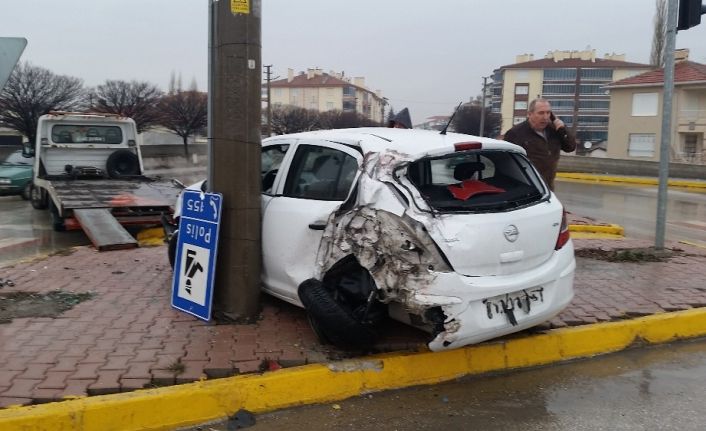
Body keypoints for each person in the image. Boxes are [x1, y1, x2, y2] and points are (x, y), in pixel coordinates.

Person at [503, 98, 576, 190]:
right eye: (541, 113)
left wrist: (562, 129)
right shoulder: (516, 133)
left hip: (548, 188)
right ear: (530, 114)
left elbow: (570, 147)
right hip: (525, 188)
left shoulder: (555, 130)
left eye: (548, 113)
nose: (545, 117)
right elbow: (505, 161)